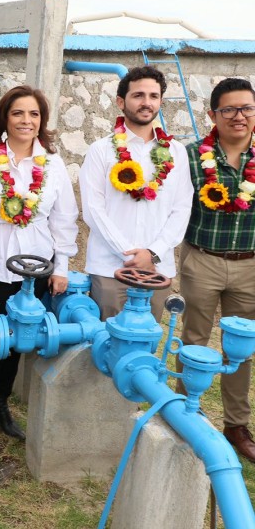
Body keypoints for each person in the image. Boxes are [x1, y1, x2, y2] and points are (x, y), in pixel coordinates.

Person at [0, 86, 78, 455]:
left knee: (21, 342)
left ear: (42, 121)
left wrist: (62, 267)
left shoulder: (53, 164)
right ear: (4, 118)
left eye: (34, 115)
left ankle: (1, 408)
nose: (27, 121)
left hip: (38, 268)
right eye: (18, 113)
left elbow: (65, 219)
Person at [179, 77, 255, 462]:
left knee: (240, 348)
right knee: (194, 337)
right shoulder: (191, 157)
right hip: (203, 259)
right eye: (229, 109)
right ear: (213, 114)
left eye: (247, 108)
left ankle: (236, 425)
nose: (239, 116)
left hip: (250, 266)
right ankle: (183, 412)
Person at [79, 65, 192, 322]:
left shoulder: (176, 152)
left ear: (161, 101)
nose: (146, 102)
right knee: (103, 345)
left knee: (145, 348)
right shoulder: (101, 150)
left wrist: (152, 253)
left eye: (153, 96)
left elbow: (182, 208)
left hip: (157, 269)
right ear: (121, 101)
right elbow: (93, 210)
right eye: (138, 95)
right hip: (110, 269)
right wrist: (129, 253)